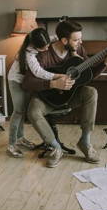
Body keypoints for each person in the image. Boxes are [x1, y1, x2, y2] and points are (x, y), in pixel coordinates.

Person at [22, 20, 107, 168]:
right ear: (64, 40)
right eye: (76, 39)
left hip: (70, 96)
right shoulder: (44, 52)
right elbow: (27, 82)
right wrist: (53, 83)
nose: (80, 42)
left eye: (80, 38)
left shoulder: (79, 49)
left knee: (91, 92)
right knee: (33, 111)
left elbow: (89, 74)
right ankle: (56, 148)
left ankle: (85, 142)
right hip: (46, 98)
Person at [7, 28, 65, 158]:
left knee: (23, 110)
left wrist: (62, 34)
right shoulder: (29, 54)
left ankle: (20, 138)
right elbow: (39, 72)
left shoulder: (42, 40)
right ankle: (11, 145)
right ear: (35, 46)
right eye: (43, 48)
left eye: (48, 45)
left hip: (26, 82)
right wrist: (58, 76)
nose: (46, 49)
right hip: (16, 81)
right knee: (18, 112)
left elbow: (55, 37)